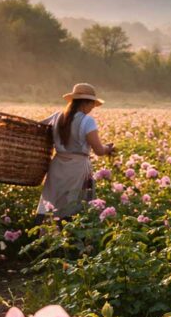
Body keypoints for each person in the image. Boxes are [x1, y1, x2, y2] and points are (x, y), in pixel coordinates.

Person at [36, 83, 115, 220]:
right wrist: (108, 148)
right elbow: (98, 150)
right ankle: (66, 231)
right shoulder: (87, 121)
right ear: (85, 103)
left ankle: (41, 231)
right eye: (92, 104)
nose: (92, 108)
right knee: (71, 206)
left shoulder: (57, 116)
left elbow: (36, 127)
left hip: (57, 165)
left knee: (49, 201)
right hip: (76, 168)